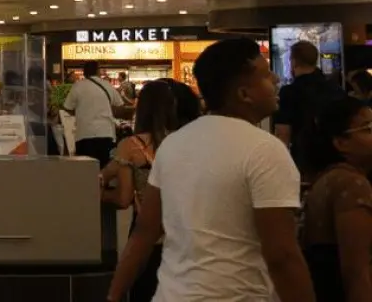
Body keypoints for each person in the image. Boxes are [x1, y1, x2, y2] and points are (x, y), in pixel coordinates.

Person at [107, 38, 315, 302]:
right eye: (265, 74)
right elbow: (282, 255)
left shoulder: (173, 144)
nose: (275, 78)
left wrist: (113, 296)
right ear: (244, 94)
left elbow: (144, 233)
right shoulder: (265, 150)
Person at [101, 81, 194, 302]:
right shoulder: (186, 142)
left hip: (147, 236)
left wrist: (101, 194)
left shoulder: (131, 146)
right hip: (183, 235)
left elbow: (124, 199)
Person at [301, 96, 372, 301]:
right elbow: (357, 272)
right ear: (341, 142)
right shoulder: (350, 184)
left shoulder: (328, 178)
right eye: (367, 129)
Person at [275, 40, 346, 171]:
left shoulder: (289, 92)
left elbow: (283, 133)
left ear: (294, 62)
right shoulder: (335, 88)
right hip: (336, 157)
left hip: (304, 160)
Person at [61, 60, 130, 167]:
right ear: (98, 71)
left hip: (84, 134)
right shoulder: (107, 85)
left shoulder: (77, 86)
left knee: (86, 171)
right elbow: (120, 106)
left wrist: (80, 111)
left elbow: (67, 107)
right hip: (106, 133)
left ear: (84, 72)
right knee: (104, 169)